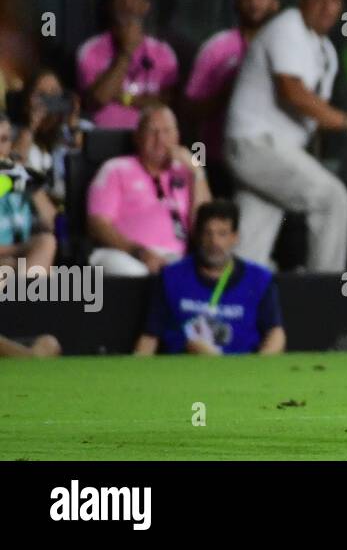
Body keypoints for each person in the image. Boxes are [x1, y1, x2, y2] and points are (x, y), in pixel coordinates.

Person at [224, 0, 347, 272]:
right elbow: (292, 92)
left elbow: (313, 113)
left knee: (249, 253)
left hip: (272, 152)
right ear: (302, 1)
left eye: (335, 1)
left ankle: (227, 306)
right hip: (255, 144)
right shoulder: (287, 26)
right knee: (333, 199)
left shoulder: (327, 51)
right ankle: (323, 295)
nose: (327, 8)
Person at [135, 200, 286, 356]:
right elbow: (150, 337)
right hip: (184, 370)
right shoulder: (171, 277)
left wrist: (259, 366)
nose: (215, 242)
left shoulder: (259, 279)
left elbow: (276, 333)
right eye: (208, 233)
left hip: (242, 370)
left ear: (235, 237)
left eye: (222, 234)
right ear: (198, 236)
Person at [184, 0, 280, 195]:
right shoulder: (216, 48)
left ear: (274, 1)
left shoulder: (284, 49)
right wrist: (230, 92)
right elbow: (189, 110)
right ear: (236, 1)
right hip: (221, 161)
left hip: (274, 159)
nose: (254, 3)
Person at [87, 105, 211, 276]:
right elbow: (98, 225)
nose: (160, 139)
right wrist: (139, 252)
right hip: (123, 254)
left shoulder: (186, 173)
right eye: (152, 132)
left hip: (174, 259)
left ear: (177, 136)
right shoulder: (115, 168)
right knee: (137, 274)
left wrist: (197, 172)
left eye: (167, 131)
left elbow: (205, 228)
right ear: (137, 137)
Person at [76, 0, 180, 130]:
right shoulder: (91, 50)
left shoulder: (163, 52)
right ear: (110, 6)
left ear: (146, 5)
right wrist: (127, 51)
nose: (128, 6)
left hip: (151, 141)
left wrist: (123, 97)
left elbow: (166, 105)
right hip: (103, 141)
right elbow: (99, 98)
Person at [13, 68, 90, 210]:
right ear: (26, 101)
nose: (48, 100)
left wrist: (73, 124)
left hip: (73, 205)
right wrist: (32, 125)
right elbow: (14, 163)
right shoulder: (15, 134)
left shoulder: (78, 129)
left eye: (54, 93)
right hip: (32, 208)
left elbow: (88, 160)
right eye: (41, 95)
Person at [0, 113, 58, 275]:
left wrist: (28, 182)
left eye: (4, 140)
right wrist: (20, 250)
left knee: (46, 243)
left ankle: (23, 295)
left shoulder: (18, 177)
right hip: (14, 258)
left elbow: (53, 222)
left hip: (22, 261)